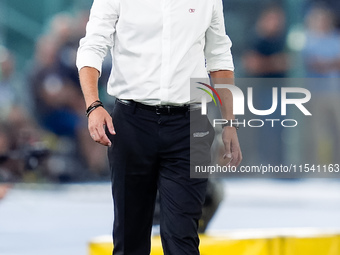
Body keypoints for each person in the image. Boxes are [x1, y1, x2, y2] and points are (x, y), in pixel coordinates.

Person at [76, 0, 242, 254]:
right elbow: (92, 46)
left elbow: (219, 54)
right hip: (130, 123)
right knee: (129, 238)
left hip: (191, 124)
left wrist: (229, 122)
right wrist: (93, 106)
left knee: (183, 238)